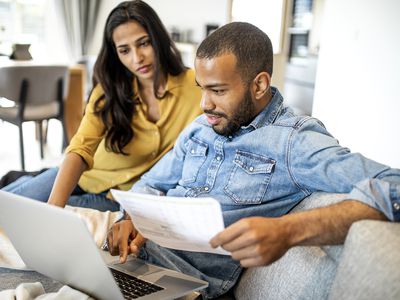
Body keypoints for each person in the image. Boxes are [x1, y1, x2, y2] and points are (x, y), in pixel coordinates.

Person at [106, 22, 400, 299]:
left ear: (259, 85)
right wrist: (129, 217)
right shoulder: (200, 128)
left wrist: (288, 230)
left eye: (218, 91)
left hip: (181, 281)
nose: (204, 104)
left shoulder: (294, 141)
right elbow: (151, 183)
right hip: (133, 260)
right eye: (202, 88)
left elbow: (393, 184)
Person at [2, 0, 202, 211]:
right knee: (9, 205)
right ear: (116, 54)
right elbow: (80, 147)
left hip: (119, 196)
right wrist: (54, 208)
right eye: (124, 50)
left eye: (144, 43)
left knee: (25, 210)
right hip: (84, 175)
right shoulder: (109, 90)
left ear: (158, 39)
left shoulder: (196, 86)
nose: (137, 58)